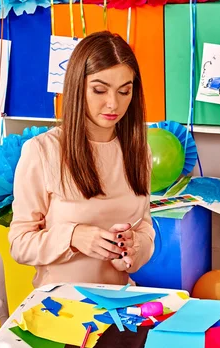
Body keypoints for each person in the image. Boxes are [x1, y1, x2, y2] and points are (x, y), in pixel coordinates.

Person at [9, 31, 155, 288]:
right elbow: (20, 244)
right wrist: (73, 237)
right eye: (100, 90)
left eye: (124, 91)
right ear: (77, 87)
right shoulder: (43, 151)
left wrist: (136, 249)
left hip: (119, 298)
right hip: (61, 303)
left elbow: (144, 226)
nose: (113, 104)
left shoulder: (138, 151)